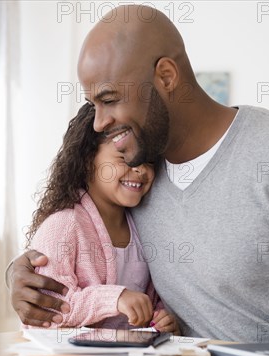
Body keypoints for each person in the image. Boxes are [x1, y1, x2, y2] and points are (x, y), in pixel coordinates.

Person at [8, 5, 269, 342]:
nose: (100, 122)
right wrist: (19, 274)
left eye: (110, 98)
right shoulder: (139, 182)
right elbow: (82, 237)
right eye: (93, 106)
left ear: (166, 76)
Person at [23, 103, 177, 332]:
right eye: (125, 158)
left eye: (150, 161)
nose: (141, 170)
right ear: (87, 160)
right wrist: (114, 299)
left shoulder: (144, 226)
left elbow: (149, 299)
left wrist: (161, 318)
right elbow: (49, 310)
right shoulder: (62, 226)